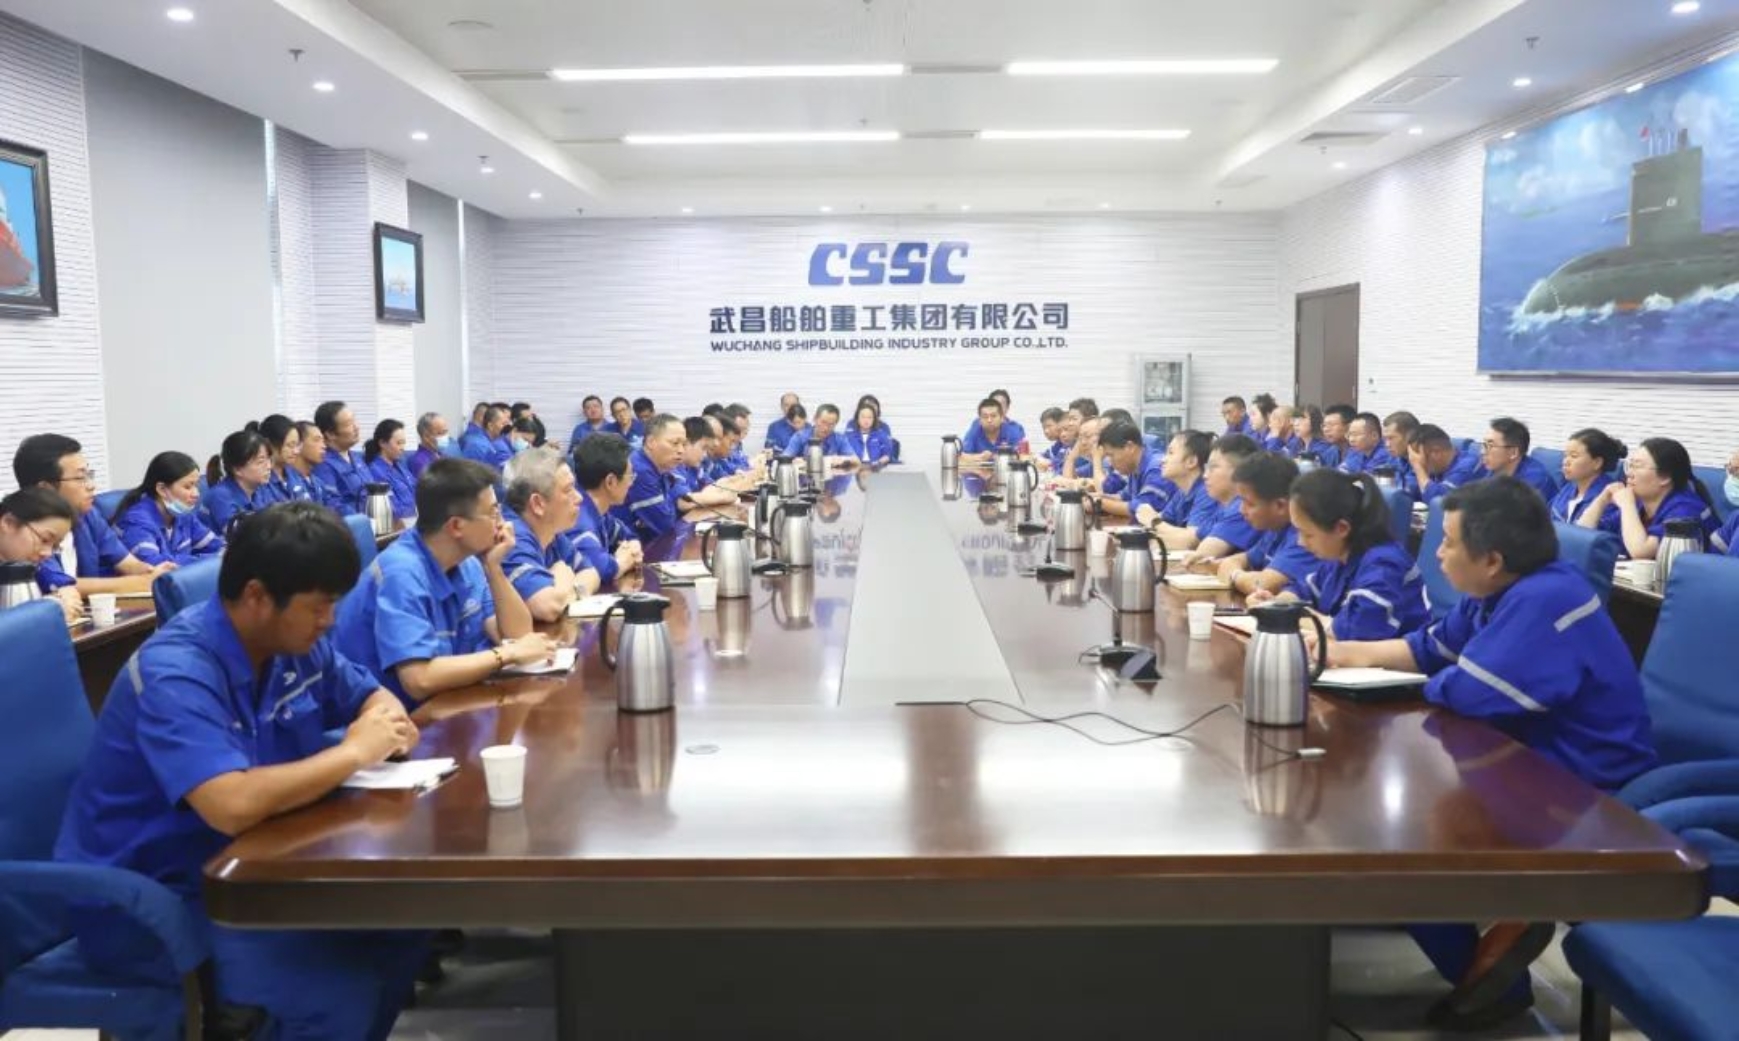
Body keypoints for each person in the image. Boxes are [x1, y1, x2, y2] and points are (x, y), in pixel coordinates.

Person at [53, 502, 430, 1040]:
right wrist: (354, 753)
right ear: (256, 596)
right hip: (151, 898)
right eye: (319, 606)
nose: (329, 621)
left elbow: (371, 696)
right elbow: (229, 805)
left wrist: (383, 722)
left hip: (255, 864)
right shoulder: (176, 672)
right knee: (332, 994)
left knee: (403, 923)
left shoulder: (294, 643)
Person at [1329, 478, 1655, 1030]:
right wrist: (1338, 651)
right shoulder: (1500, 590)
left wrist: (1433, 679)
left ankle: (1492, 976)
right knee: (1388, 805)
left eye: (1448, 541)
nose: (1437, 552)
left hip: (1580, 778)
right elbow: (1427, 649)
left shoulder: (1544, 598)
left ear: (1492, 559)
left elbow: (1469, 690)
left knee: (1398, 831)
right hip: (1522, 753)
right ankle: (1469, 923)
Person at [335, 458, 557, 709]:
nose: (502, 523)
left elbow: (518, 636)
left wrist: (494, 570)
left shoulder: (467, 562)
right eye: (493, 513)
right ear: (456, 526)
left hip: (447, 704)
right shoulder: (402, 573)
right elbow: (419, 679)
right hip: (394, 718)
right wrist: (506, 655)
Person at [1249, 469, 1427, 641]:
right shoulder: (1339, 557)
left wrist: (1289, 615)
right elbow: (1303, 590)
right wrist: (1277, 603)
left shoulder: (1385, 565)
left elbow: (1354, 631)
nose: (1300, 542)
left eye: (1308, 534)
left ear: (1341, 528)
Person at [15, 434, 170, 598]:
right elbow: (59, 584)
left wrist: (154, 573)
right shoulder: (26, 532)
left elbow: (128, 564)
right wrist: (141, 583)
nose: (91, 486)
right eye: (81, 478)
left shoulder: (87, 515)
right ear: (45, 489)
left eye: (89, 475)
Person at [1579, 436, 1719, 558]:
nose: (1629, 474)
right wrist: (1602, 500)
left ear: (1665, 477)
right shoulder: (1640, 503)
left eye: (1637, 467)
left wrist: (1627, 505)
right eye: (1630, 466)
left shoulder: (1685, 510)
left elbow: (1641, 551)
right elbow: (1582, 533)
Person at [502, 446, 597, 622]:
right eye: (568, 490)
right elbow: (548, 607)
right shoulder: (511, 537)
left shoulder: (550, 530)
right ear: (538, 504)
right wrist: (563, 577)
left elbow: (591, 573)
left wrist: (566, 589)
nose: (579, 498)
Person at [1212, 453, 1318, 597]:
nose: (1241, 510)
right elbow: (1240, 559)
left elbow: (1263, 585)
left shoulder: (1305, 537)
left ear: (1280, 505)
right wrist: (1235, 570)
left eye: (1249, 503)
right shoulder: (1274, 528)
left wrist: (1234, 575)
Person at [114, 451, 225, 568]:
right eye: (188, 487)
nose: (196, 494)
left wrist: (225, 554)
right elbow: (154, 565)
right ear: (162, 489)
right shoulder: (136, 521)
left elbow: (216, 546)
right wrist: (209, 559)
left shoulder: (184, 515)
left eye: (196, 485)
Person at [569, 433, 646, 585]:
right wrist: (621, 562)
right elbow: (601, 570)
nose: (631, 483)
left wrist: (633, 548)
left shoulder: (599, 511)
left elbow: (628, 535)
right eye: (630, 476)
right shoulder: (578, 518)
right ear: (610, 481)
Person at [1178, 434, 1265, 560]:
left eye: (1213, 467)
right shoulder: (1222, 507)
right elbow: (1193, 539)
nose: (1205, 475)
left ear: (1240, 472)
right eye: (1206, 468)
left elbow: (1202, 555)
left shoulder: (1242, 508)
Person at [1, 487, 80, 621]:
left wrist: (64, 595)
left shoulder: (29, 565)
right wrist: (47, 609)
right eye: (44, 540)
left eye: (55, 546)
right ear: (9, 523)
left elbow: (64, 586)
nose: (47, 553)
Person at [613, 414, 687, 541]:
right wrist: (673, 505)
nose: (681, 450)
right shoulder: (639, 470)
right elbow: (665, 524)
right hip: (625, 546)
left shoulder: (661, 467)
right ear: (651, 442)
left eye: (684, 444)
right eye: (675, 443)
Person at [1140, 430, 1214, 545]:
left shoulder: (1207, 492)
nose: (1162, 460)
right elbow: (1162, 523)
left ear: (1191, 461)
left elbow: (1191, 541)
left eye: (1170, 453)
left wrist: (1153, 521)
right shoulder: (1181, 493)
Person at [1096, 420, 1172, 523]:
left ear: (1130, 447)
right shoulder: (1134, 467)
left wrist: (1099, 503)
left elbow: (1141, 508)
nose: (1109, 462)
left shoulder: (1158, 469)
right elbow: (1124, 498)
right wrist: (1097, 497)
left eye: (1111, 455)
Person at [204, 430, 274, 535]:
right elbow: (241, 537)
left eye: (269, 459)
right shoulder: (219, 496)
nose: (269, 466)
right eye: (260, 462)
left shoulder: (260, 489)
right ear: (237, 469)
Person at [1550, 429, 1625, 524]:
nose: (1565, 462)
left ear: (1597, 463)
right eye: (1565, 456)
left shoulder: (1610, 497)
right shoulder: (1568, 488)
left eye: (1574, 456)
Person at [1475, 417, 1558, 499]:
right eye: (1484, 444)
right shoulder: (1488, 468)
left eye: (1490, 445)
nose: (1482, 452)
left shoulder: (1534, 481)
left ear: (1513, 453)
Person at [312, 400, 370, 514]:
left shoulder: (356, 457)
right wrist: (363, 520)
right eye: (349, 424)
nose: (356, 427)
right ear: (330, 434)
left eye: (354, 420)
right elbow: (333, 505)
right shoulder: (323, 465)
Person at [676, 416, 742, 508]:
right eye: (703, 448)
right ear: (686, 443)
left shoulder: (694, 467)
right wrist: (723, 498)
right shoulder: (674, 469)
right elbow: (684, 502)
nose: (704, 455)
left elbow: (713, 486)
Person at [1407, 424, 1481, 504]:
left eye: (1418, 455)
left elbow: (1438, 501)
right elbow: (1409, 490)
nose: (1415, 460)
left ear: (1436, 452)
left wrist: (1418, 467)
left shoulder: (1467, 466)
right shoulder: (1437, 468)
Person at [364, 419, 418, 524]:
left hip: (416, 517)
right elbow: (393, 509)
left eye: (404, 443)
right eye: (399, 443)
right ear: (382, 443)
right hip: (400, 523)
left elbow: (417, 489)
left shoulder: (400, 465)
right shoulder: (376, 471)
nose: (403, 448)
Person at [253, 416, 313, 506]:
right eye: (290, 445)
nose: (296, 451)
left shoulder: (295, 474)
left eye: (297, 445)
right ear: (270, 444)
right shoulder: (260, 479)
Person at [782, 403, 854, 464]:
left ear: (836, 424)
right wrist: (794, 461)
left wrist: (842, 459)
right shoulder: (800, 436)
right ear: (815, 419)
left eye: (831, 424)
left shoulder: (840, 439)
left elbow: (855, 460)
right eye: (823, 422)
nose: (826, 428)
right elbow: (785, 458)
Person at [959, 397, 1022, 463]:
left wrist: (994, 457)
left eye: (993, 416)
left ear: (1002, 418)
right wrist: (980, 457)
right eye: (985, 417)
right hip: (980, 469)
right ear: (979, 420)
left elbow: (1022, 456)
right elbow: (961, 456)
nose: (989, 420)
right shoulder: (975, 430)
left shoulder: (1013, 431)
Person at [288, 421, 331, 510]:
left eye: (323, 441)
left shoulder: (318, 482)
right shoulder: (287, 481)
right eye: (317, 440)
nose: (324, 446)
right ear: (298, 444)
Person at [1382, 410, 1422, 497]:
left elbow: (1409, 492)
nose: (1387, 444)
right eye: (1385, 439)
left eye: (1391, 438)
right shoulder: (1394, 458)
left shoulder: (1424, 459)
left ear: (1410, 437)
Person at [844, 402, 894, 466]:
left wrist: (878, 463)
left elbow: (887, 455)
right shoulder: (849, 436)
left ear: (874, 419)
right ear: (857, 418)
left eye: (869, 417)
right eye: (863, 417)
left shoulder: (881, 435)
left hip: (876, 468)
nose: (866, 420)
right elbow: (843, 454)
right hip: (854, 467)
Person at [408, 411, 452, 480]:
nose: (445, 437)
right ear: (426, 436)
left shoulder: (441, 455)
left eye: (446, 432)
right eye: (440, 433)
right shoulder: (419, 462)